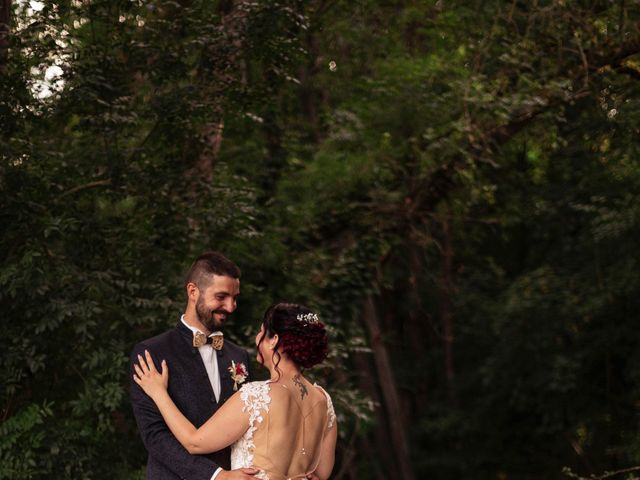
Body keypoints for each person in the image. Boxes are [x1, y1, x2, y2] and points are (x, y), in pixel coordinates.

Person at [133, 303, 338, 480]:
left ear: (274, 339)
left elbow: (194, 442)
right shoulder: (323, 400)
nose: (257, 337)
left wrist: (159, 393)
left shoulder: (256, 396)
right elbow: (322, 472)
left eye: (261, 332)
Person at [130, 251, 258, 480]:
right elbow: (155, 436)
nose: (231, 306)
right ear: (192, 291)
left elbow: (252, 428)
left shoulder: (239, 356)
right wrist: (216, 476)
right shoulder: (152, 352)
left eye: (235, 297)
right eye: (221, 297)